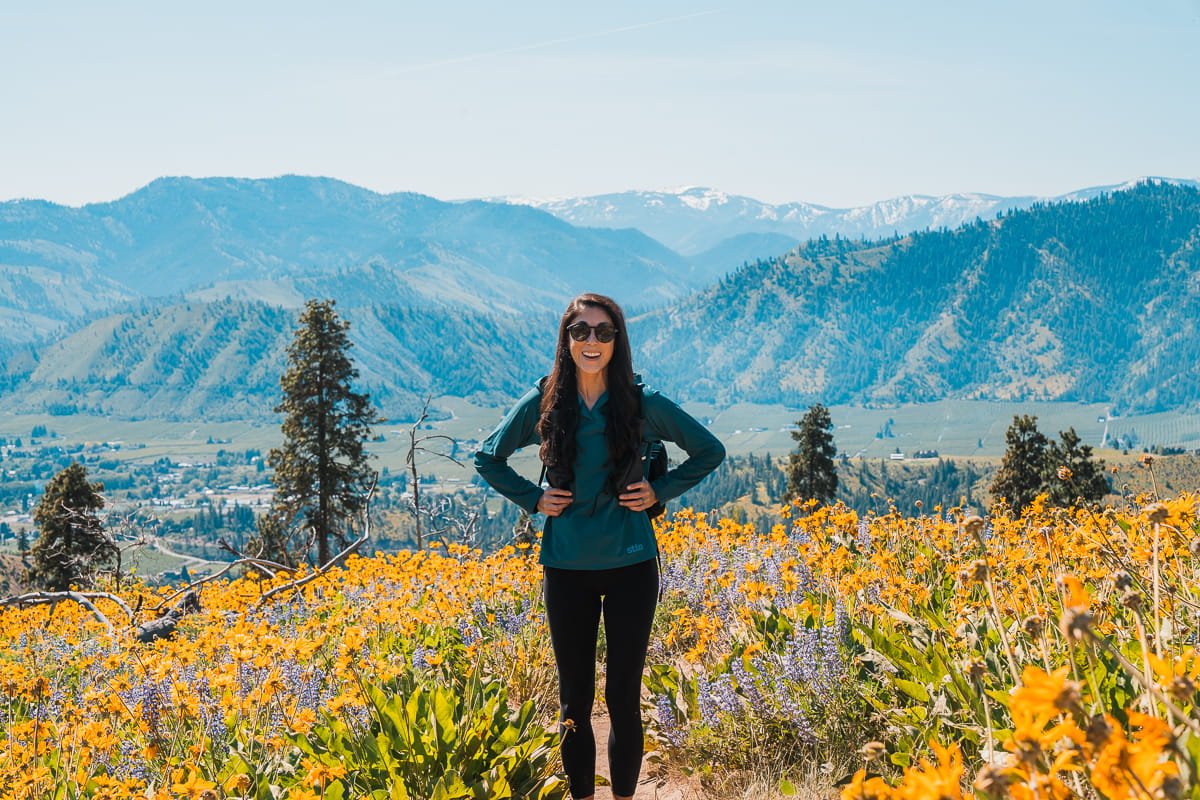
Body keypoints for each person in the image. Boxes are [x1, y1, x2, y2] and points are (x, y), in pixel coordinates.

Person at [474, 292, 725, 799]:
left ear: (617, 340)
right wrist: (533, 498)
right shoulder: (546, 400)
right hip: (565, 569)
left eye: (603, 332)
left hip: (633, 565)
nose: (592, 341)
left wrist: (660, 490)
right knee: (574, 700)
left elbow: (710, 451)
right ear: (566, 340)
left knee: (623, 697)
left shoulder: (642, 403)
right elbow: (487, 457)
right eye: (580, 331)